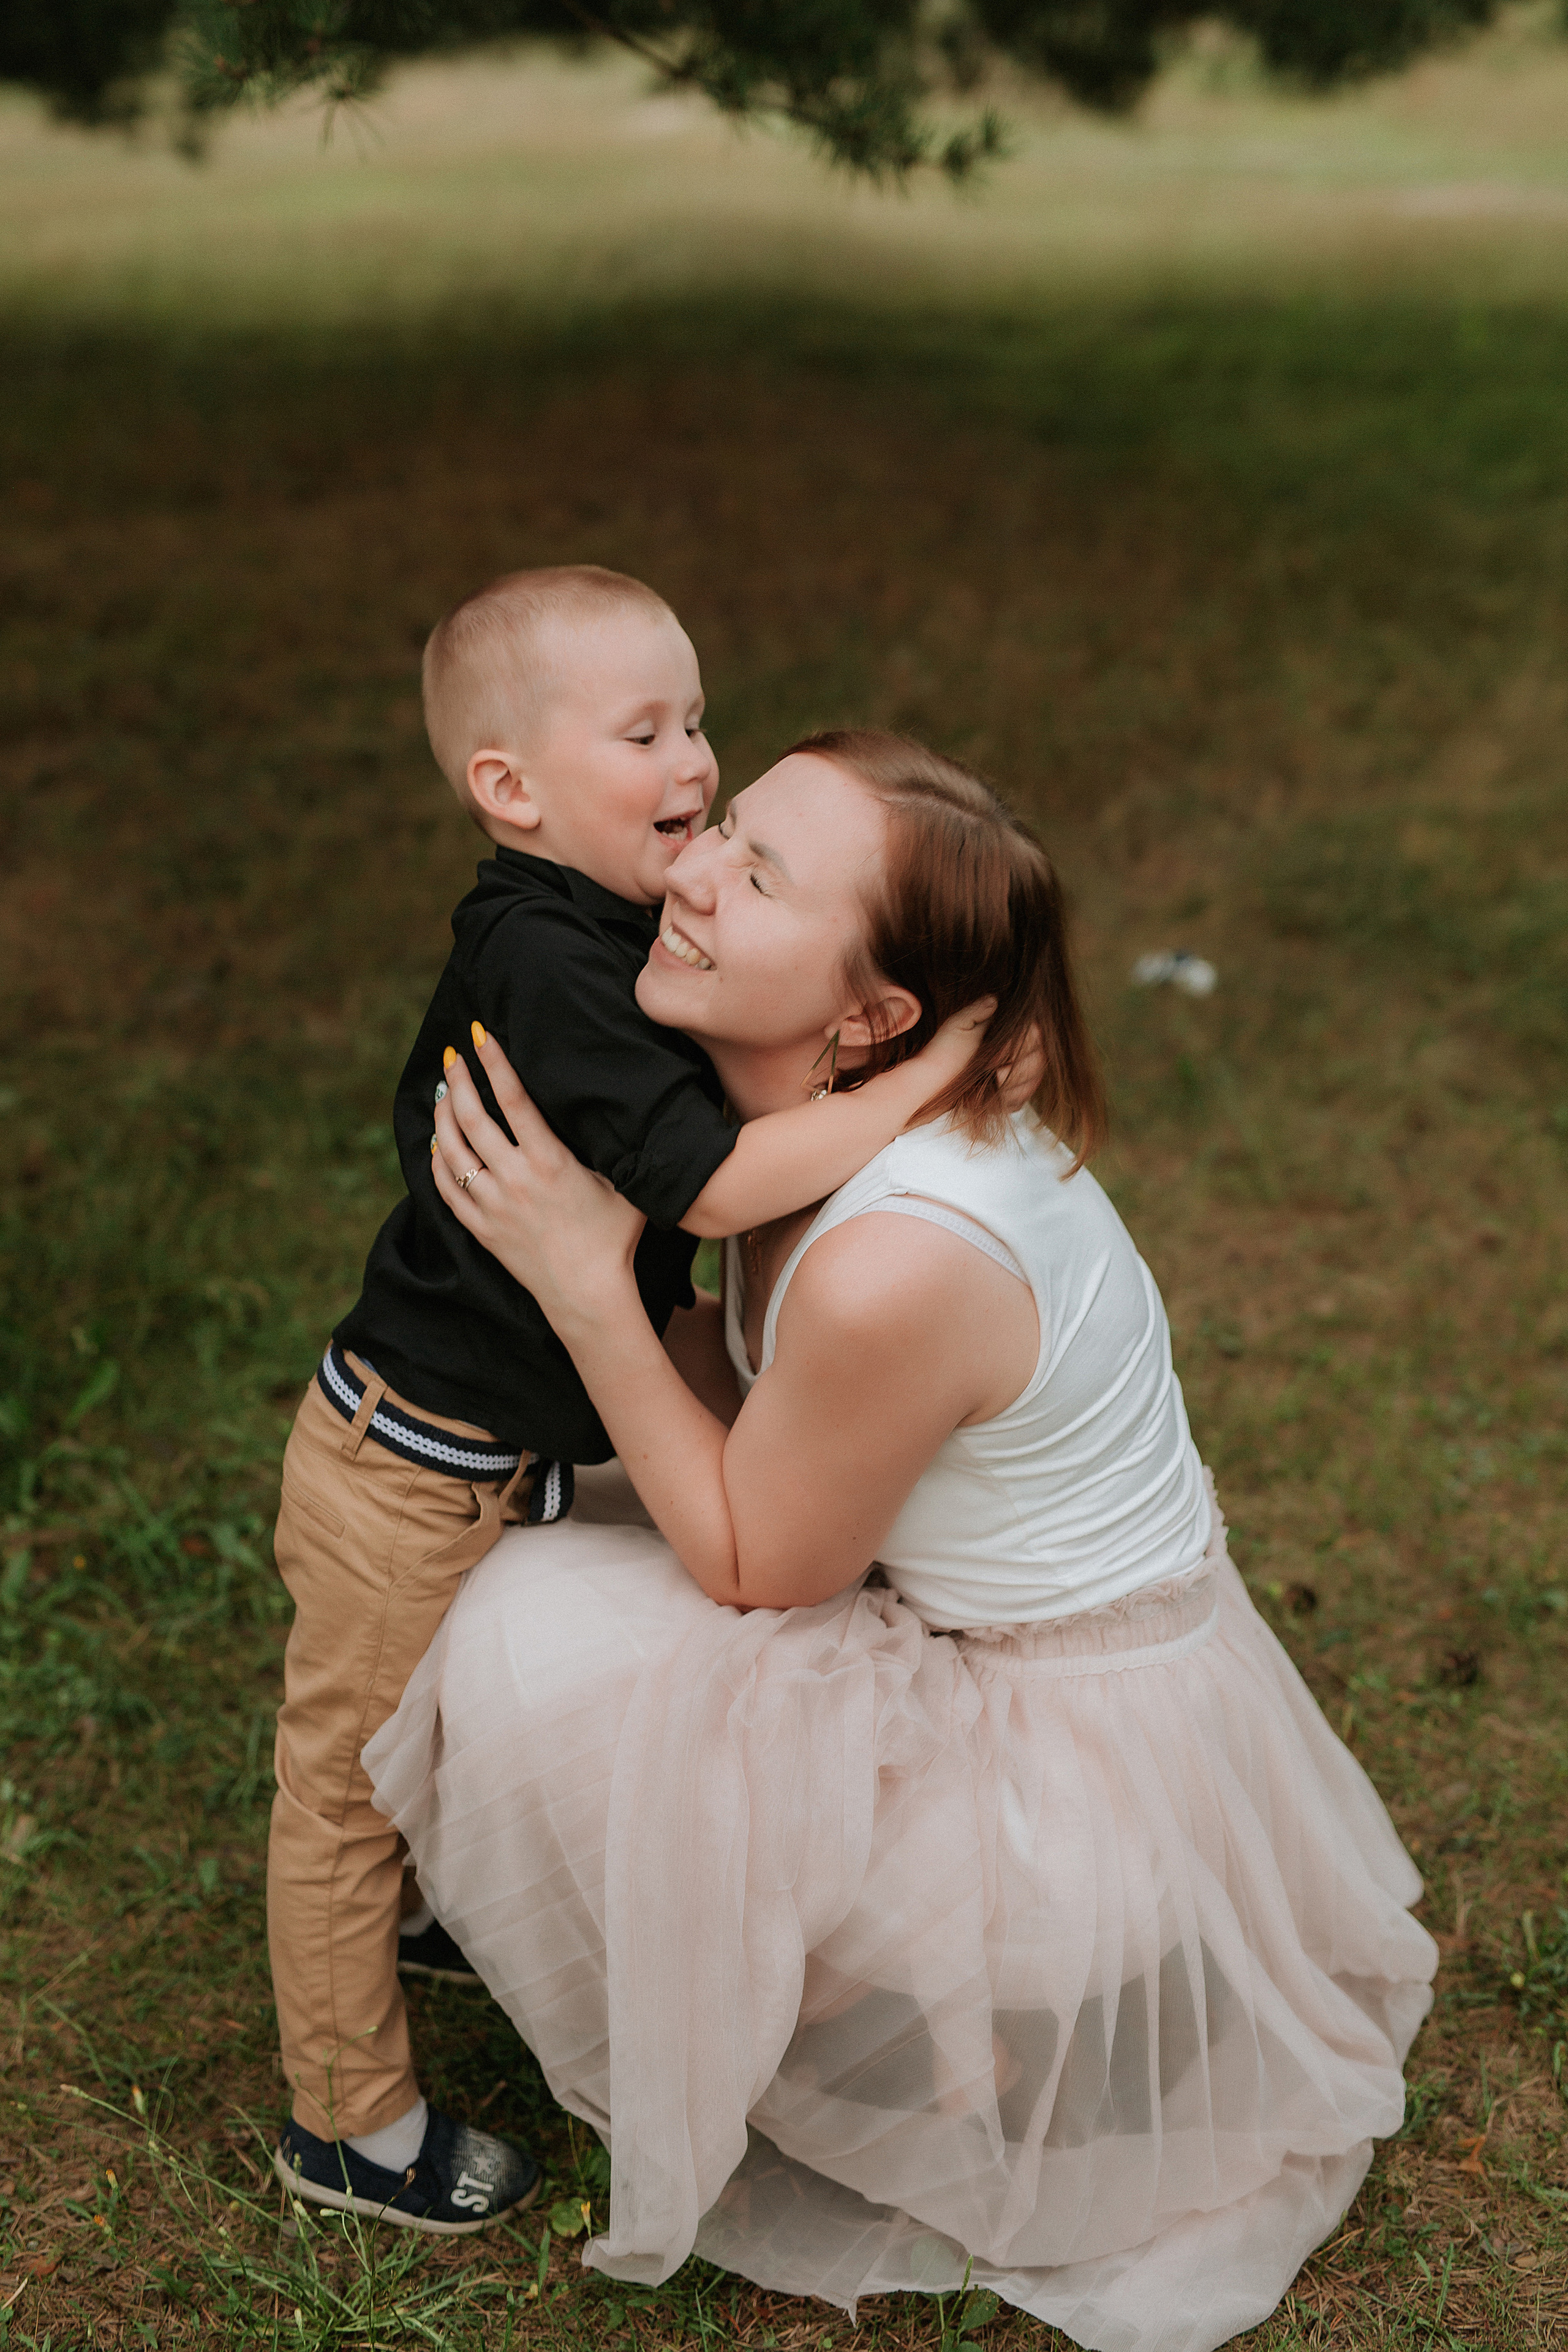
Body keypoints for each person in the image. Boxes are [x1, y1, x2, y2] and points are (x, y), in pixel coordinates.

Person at [364, 729, 1438, 2352]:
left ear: (870, 1021)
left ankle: (984, 2032)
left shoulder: (902, 1255)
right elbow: (746, 1392)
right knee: (571, 1541)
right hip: (984, 1647)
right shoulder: (792, 1131)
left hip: (1072, 1777)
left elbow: (756, 1564)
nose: (697, 869)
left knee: (537, 1621)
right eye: (728, 829)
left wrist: (589, 1285)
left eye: (764, 875)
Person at [270, 578, 995, 2233]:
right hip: (406, 1464)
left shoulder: (604, 928)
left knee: (429, 1713)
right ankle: (347, 2116)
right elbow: (723, 1182)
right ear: (512, 791)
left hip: (482, 1450)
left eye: (697, 722)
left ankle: (420, 1897)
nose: (695, 760)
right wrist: (922, 1078)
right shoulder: (543, 960)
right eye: (647, 734)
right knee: (340, 1780)